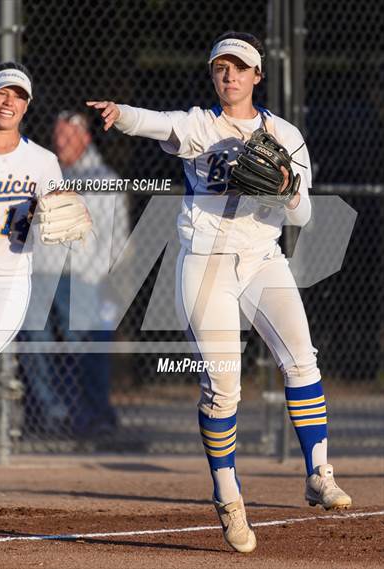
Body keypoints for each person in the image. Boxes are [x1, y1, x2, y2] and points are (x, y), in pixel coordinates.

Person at [87, 31, 352, 554]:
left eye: (238, 67)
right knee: (223, 387)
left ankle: (319, 472)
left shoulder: (285, 134)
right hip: (204, 265)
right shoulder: (201, 126)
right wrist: (124, 113)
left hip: (262, 260)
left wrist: (288, 190)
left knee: (302, 360)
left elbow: (306, 214)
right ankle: (228, 496)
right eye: (220, 67)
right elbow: (159, 122)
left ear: (257, 76)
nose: (228, 75)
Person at [19, 110, 129, 438]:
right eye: (57, 135)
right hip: (40, 275)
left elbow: (114, 239)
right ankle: (45, 415)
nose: (59, 142)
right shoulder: (46, 174)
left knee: (81, 347)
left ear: (85, 138)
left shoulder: (103, 179)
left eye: (68, 136)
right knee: (34, 343)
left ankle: (89, 417)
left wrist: (89, 277)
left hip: (79, 279)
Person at [0, 62, 63, 415]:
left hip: (3, 288)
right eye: (3, 92)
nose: (10, 102)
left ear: (27, 105)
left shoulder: (43, 162)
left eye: (19, 96)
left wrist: (59, 219)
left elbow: (60, 227)